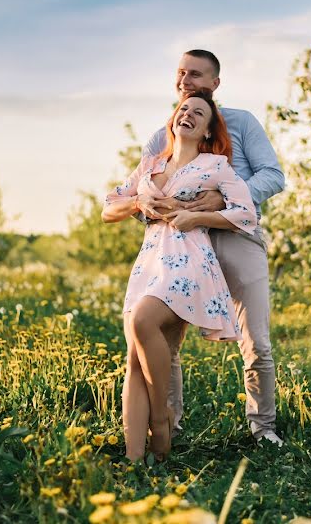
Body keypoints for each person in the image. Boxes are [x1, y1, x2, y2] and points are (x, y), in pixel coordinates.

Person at [138, 50, 285, 446]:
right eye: (181, 73)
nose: (186, 81)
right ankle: (168, 423)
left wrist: (226, 200)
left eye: (197, 75)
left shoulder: (242, 122)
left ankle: (263, 427)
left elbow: (274, 176)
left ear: (216, 83)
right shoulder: (161, 136)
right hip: (182, 244)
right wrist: (144, 205)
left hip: (236, 237)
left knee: (256, 339)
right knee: (166, 340)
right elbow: (141, 195)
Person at [102, 90, 258, 461]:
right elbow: (109, 207)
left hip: (188, 261)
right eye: (183, 108)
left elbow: (246, 214)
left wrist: (198, 217)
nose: (187, 114)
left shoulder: (216, 165)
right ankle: (138, 460)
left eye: (198, 113)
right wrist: (138, 202)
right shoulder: (152, 163)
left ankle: (162, 419)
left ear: (207, 131)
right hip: (149, 261)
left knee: (143, 320)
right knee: (135, 359)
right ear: (174, 119)